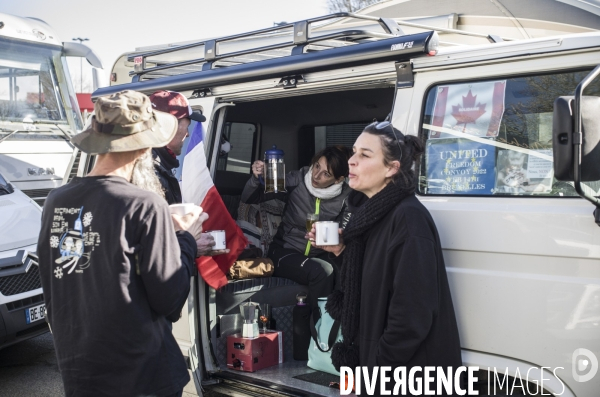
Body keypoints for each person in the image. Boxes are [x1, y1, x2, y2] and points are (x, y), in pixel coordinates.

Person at [37, 90, 208, 397]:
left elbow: (58, 281)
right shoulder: (144, 205)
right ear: (144, 148)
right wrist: (186, 238)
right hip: (141, 374)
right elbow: (170, 301)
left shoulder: (56, 201)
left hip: (80, 370)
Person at [309, 121, 462, 394]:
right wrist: (342, 252)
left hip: (407, 377)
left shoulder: (407, 219)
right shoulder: (370, 216)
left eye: (365, 155)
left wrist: (378, 366)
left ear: (392, 169)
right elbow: (374, 280)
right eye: (353, 152)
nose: (351, 162)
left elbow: (412, 315)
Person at [241, 146, 352, 310]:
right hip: (284, 251)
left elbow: (345, 231)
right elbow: (249, 198)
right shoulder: (297, 179)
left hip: (320, 253)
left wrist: (331, 236)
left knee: (348, 270)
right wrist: (257, 178)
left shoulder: (347, 196)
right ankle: (318, 328)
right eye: (317, 166)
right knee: (322, 271)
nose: (316, 175)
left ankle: (341, 329)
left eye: (326, 174)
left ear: (338, 179)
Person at [148, 90, 206, 205]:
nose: (187, 134)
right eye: (187, 126)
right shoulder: (150, 173)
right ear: (170, 126)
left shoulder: (155, 164)